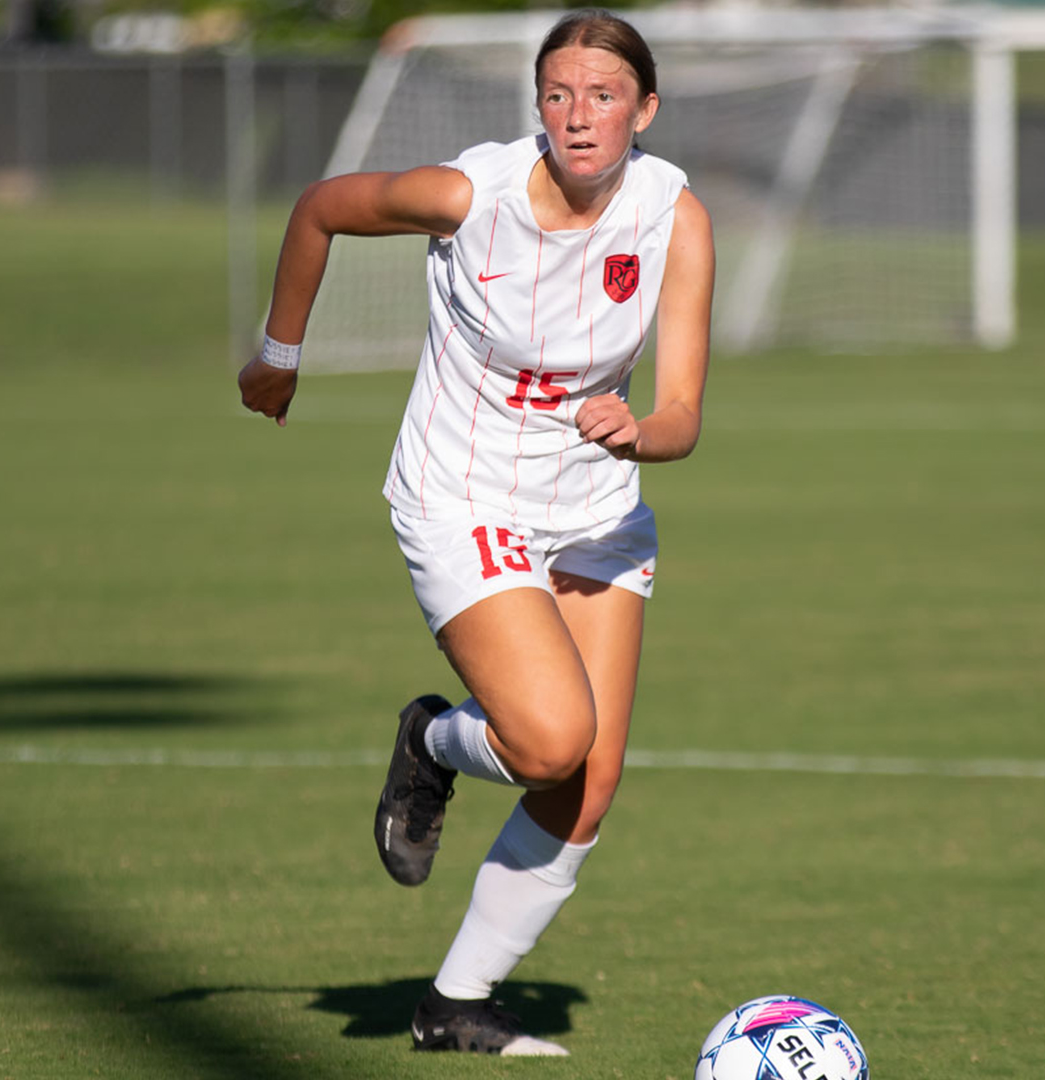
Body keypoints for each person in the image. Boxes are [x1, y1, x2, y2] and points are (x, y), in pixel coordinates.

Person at [239, 8, 713, 1058]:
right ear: (535, 106)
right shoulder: (471, 196)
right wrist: (280, 349)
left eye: (602, 96)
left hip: (595, 512)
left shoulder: (674, 215)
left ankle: (456, 1002)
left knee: (589, 781)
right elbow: (320, 208)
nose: (578, 116)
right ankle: (432, 741)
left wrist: (644, 432)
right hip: (462, 498)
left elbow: (682, 410)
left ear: (645, 109)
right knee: (549, 739)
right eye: (558, 94)